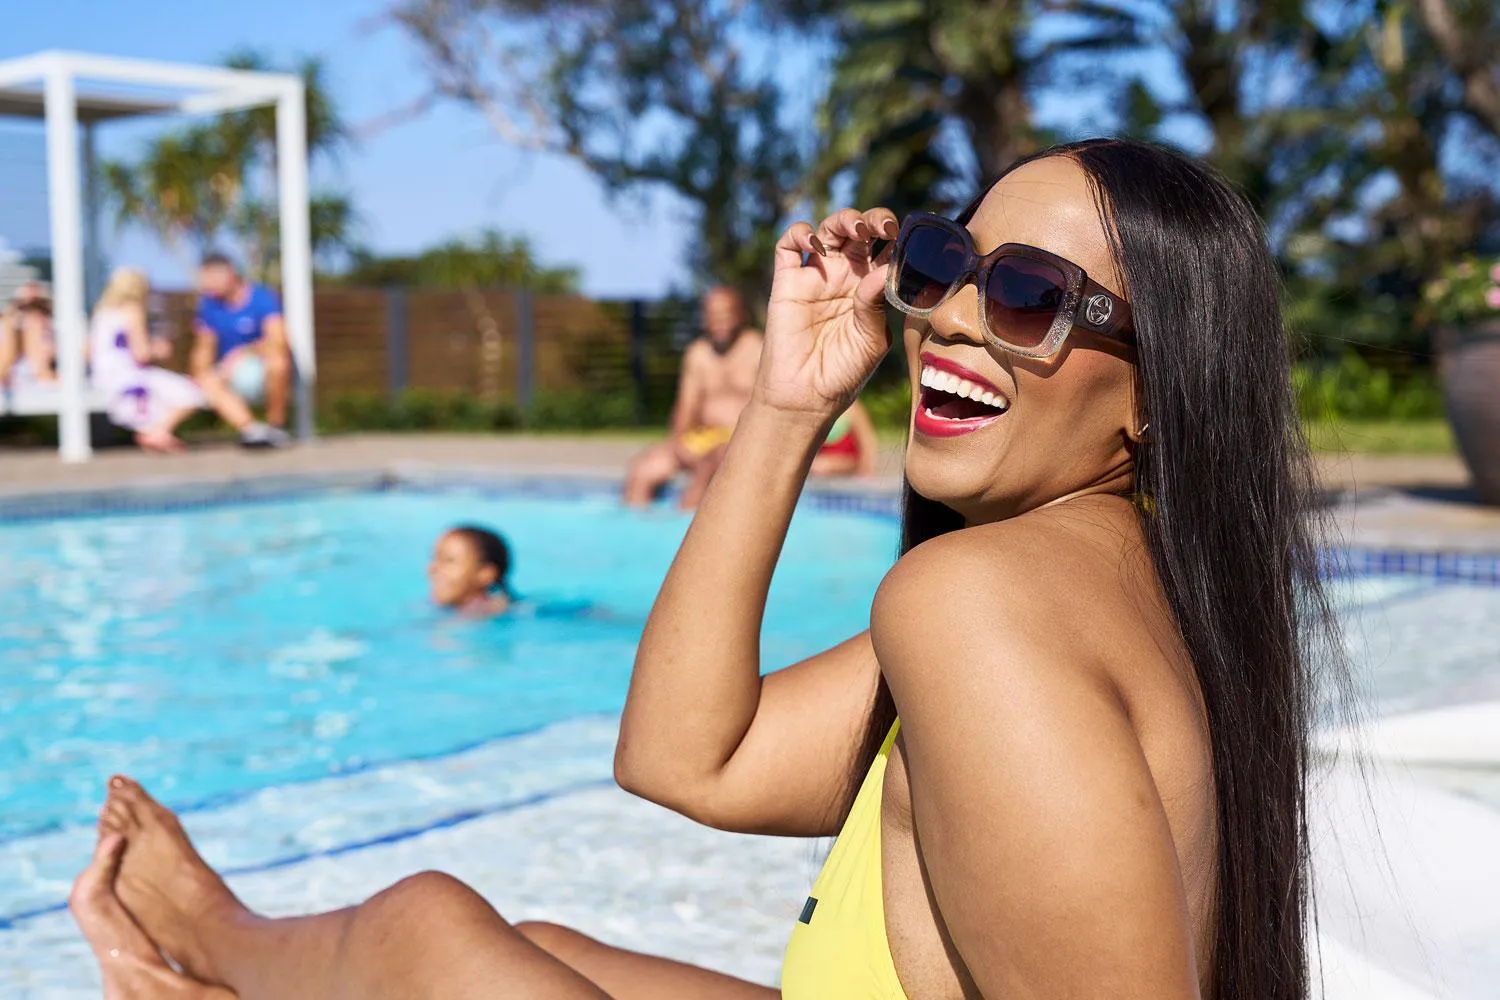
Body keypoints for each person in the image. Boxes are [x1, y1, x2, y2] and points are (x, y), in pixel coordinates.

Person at [71, 139, 1341, 1000]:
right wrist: (786, 411)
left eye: (1028, 297)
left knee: (431, 940)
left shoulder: (979, 603)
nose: (951, 315)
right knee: (540, 946)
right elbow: (687, 757)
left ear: (1158, 395)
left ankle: (206, 949)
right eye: (948, 263)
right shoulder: (1102, 588)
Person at [623, 285, 762, 509]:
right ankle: (637, 537)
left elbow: (765, 412)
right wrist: (679, 444)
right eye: (713, 315)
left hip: (738, 441)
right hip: (703, 439)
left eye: (726, 314)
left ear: (740, 315)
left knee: (710, 464)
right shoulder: (698, 354)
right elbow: (685, 408)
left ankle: (684, 533)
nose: (720, 321)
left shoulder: (757, 349)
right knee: (643, 469)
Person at [89, 268, 205, 453]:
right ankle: (158, 431)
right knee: (191, 392)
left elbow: (89, 351)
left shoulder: (101, 313)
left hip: (102, 377)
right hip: (128, 376)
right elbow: (141, 354)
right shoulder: (132, 310)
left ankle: (155, 431)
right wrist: (157, 349)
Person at [191, 253, 293, 449]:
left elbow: (279, 340)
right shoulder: (209, 305)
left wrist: (242, 354)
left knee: (278, 362)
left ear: (230, 273)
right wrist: (201, 374)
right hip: (228, 375)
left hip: (261, 368)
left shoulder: (262, 298)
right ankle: (253, 431)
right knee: (207, 379)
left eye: (211, 278)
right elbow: (203, 348)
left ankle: (275, 428)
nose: (207, 284)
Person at [428, 525, 512, 617]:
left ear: (485, 573)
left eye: (449, 560)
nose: (433, 568)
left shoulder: (491, 613)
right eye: (434, 558)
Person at [0, 281, 56, 387]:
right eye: (24, 307)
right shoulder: (7, 333)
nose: (33, 314)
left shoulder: (54, 335)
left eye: (39, 306)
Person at [811, 398, 878, 478]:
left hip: (848, 476)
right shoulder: (814, 408)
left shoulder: (853, 409)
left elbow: (868, 450)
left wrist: (833, 465)